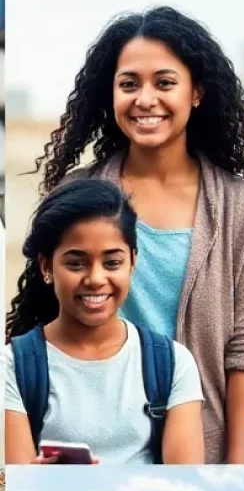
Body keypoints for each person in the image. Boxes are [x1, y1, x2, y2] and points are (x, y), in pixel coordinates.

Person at [35, 7, 244, 464]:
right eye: (129, 84)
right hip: (95, 439)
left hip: (201, 442)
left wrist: (236, 464)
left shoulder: (241, 203)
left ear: (196, 92)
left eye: (164, 82)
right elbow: (49, 319)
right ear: (111, 93)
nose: (145, 99)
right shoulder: (76, 194)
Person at [5, 179, 205, 465]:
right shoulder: (12, 367)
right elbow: (15, 489)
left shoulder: (173, 363)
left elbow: (185, 482)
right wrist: (34, 483)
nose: (96, 279)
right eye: (76, 263)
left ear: (132, 262)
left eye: (112, 263)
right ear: (47, 267)